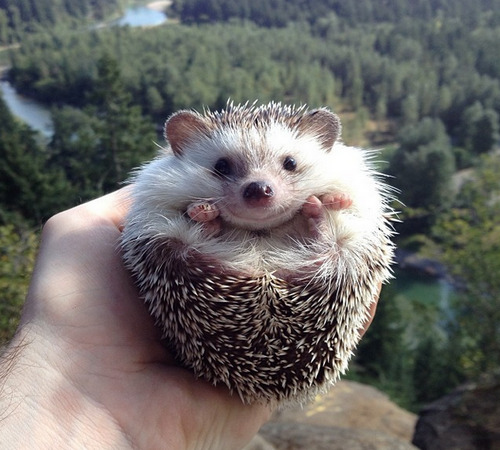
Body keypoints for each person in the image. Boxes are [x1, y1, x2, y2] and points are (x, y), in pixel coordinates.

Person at [0, 188, 379, 449]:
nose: (259, 186)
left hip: (302, 265)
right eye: (225, 167)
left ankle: (297, 238)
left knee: (342, 248)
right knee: (173, 248)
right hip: (274, 261)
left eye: (289, 165)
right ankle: (303, 237)